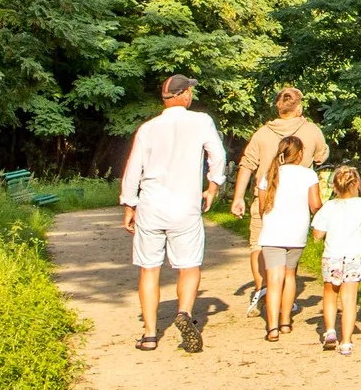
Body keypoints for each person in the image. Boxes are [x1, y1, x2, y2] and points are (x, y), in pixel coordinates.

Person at [120, 74, 229, 353]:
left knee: (149, 269)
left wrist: (129, 205)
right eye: (190, 90)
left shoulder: (148, 128)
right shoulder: (201, 121)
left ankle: (149, 334)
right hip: (185, 207)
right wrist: (213, 187)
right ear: (183, 96)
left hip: (151, 206)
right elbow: (217, 156)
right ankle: (183, 312)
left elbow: (133, 169)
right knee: (189, 266)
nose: (192, 94)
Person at [231, 85, 330, 312]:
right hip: (296, 202)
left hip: (265, 198)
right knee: (289, 250)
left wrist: (238, 197)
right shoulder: (312, 130)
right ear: (299, 107)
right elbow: (321, 157)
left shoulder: (262, 133)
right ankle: (285, 298)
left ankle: (263, 289)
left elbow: (247, 165)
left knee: (259, 245)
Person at [254, 136, 322, 342]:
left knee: (274, 280)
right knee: (290, 276)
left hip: (273, 231)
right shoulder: (308, 175)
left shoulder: (270, 174)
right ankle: (286, 321)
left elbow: (261, 207)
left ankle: (272, 326)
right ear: (300, 154)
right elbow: (315, 205)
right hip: (297, 232)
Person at [309, 166, 361, 356]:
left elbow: (317, 234)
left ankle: (330, 330)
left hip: (332, 256)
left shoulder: (329, 207)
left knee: (330, 293)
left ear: (334, 186)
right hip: (355, 256)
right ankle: (346, 342)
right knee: (350, 299)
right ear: (357, 184)